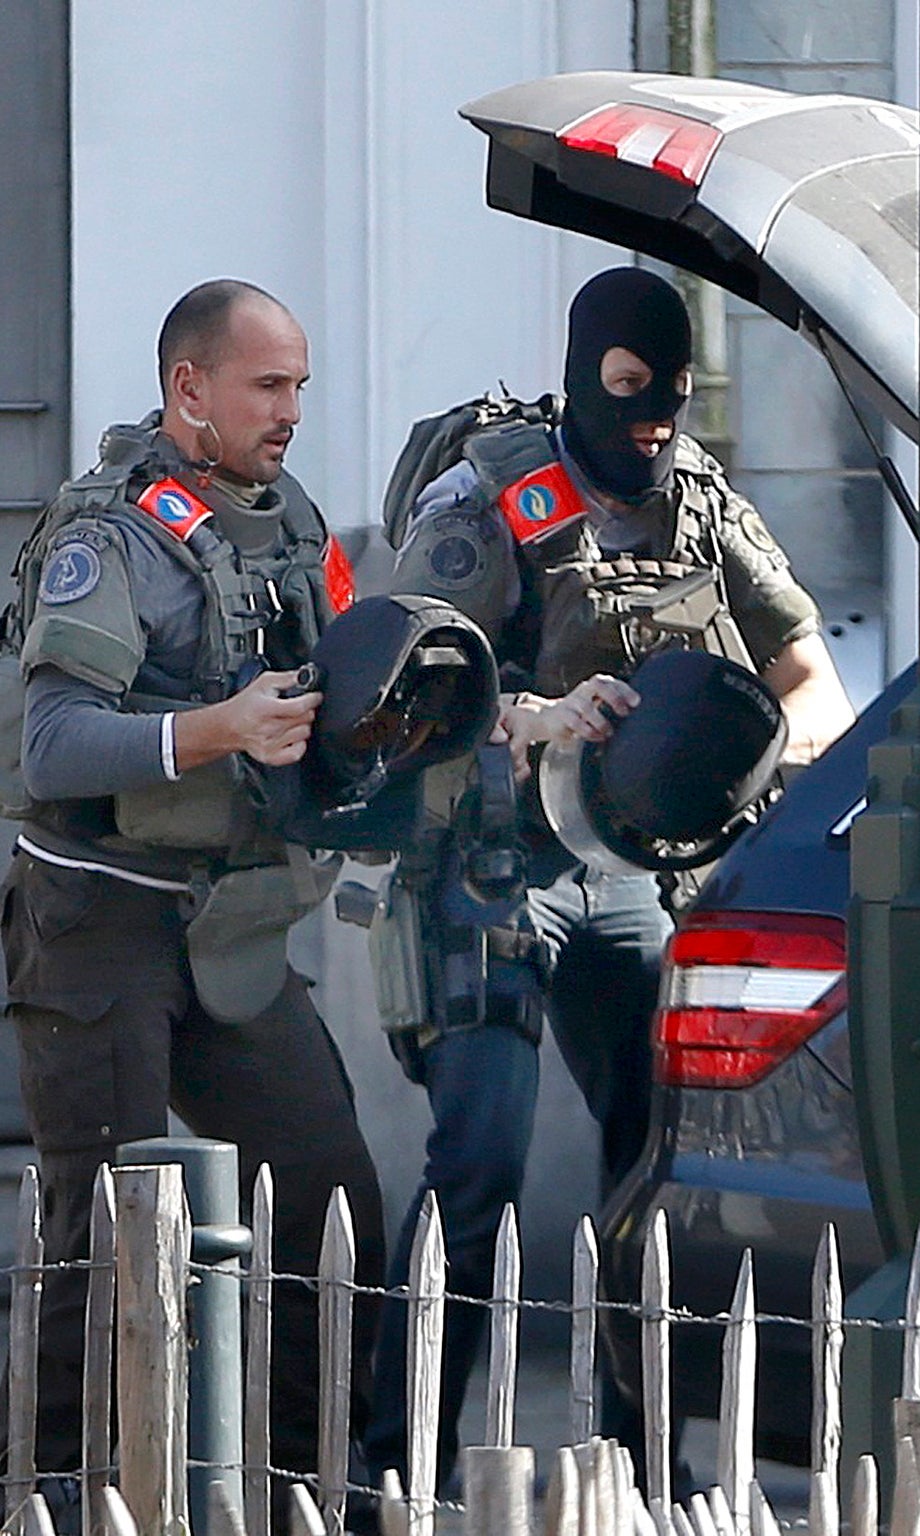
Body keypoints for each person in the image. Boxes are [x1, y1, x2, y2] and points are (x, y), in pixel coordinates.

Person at [363, 265, 853, 1482]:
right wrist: (536, 713)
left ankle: (645, 1460)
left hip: (631, 876)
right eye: (629, 391)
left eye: (673, 397)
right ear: (585, 373)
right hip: (491, 870)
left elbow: (810, 678)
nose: (651, 422)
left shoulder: (699, 499)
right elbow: (390, 690)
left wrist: (736, 753)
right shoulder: (489, 505)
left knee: (652, 1166)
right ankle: (396, 1468)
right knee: (478, 1168)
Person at [0, 279, 385, 1508]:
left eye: (299, 388)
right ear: (188, 391)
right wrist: (215, 730)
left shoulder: (289, 521)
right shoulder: (103, 536)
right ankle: (55, 1494)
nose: (289, 413)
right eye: (267, 387)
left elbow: (348, 677)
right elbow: (50, 746)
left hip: (231, 921)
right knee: (98, 1236)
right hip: (98, 919)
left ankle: (302, 1483)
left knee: (332, 1196)